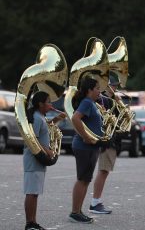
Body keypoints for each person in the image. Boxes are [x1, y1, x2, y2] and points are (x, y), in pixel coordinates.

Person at [23, 91, 66, 230]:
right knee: (31, 192)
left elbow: (45, 127)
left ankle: (33, 223)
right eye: (48, 101)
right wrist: (47, 151)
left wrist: (57, 119)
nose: (51, 104)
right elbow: (33, 139)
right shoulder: (36, 117)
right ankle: (30, 224)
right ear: (40, 104)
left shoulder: (40, 116)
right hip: (33, 160)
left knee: (35, 193)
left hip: (38, 160)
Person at [69, 75, 104, 224]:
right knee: (82, 179)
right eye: (97, 88)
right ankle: (74, 213)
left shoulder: (91, 103)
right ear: (90, 90)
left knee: (86, 179)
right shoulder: (87, 102)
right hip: (84, 147)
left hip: (90, 147)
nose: (99, 91)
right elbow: (75, 118)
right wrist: (86, 137)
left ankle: (78, 211)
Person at [89, 75, 120, 214]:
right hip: (107, 140)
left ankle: (97, 201)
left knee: (104, 171)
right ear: (107, 86)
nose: (116, 88)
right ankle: (95, 202)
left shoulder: (110, 100)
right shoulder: (104, 100)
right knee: (103, 170)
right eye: (114, 85)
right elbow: (107, 120)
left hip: (111, 140)